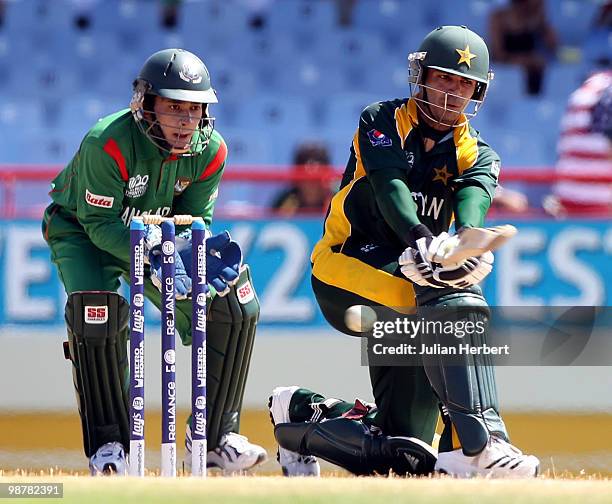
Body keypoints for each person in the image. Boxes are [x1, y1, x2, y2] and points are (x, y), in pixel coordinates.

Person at [269, 26, 540, 478]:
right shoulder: (381, 119)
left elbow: (473, 201)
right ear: (422, 77)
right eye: (444, 79)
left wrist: (466, 242)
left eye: (465, 84)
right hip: (347, 266)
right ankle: (480, 444)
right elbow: (390, 186)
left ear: (478, 90)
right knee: (453, 295)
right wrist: (423, 240)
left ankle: (299, 414)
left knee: (403, 452)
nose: (454, 93)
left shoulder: (480, 153)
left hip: (416, 285)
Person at [42, 48, 266, 475]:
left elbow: (195, 219)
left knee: (233, 303)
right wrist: (156, 254)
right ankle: (111, 447)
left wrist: (181, 253)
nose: (186, 121)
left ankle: (217, 439)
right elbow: (101, 225)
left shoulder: (211, 151)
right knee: (97, 312)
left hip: (159, 236)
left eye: (195, 109)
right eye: (173, 108)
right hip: (83, 229)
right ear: (146, 104)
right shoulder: (107, 142)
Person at [489, 0, 557, 96]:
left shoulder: (537, 19)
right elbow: (498, 55)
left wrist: (544, 23)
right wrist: (524, 60)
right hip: (509, 69)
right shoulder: (499, 18)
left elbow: (553, 46)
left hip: (533, 70)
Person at [271, 142, 334, 216]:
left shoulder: (338, 199)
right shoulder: (284, 202)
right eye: (306, 180)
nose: (312, 186)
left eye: (316, 180)